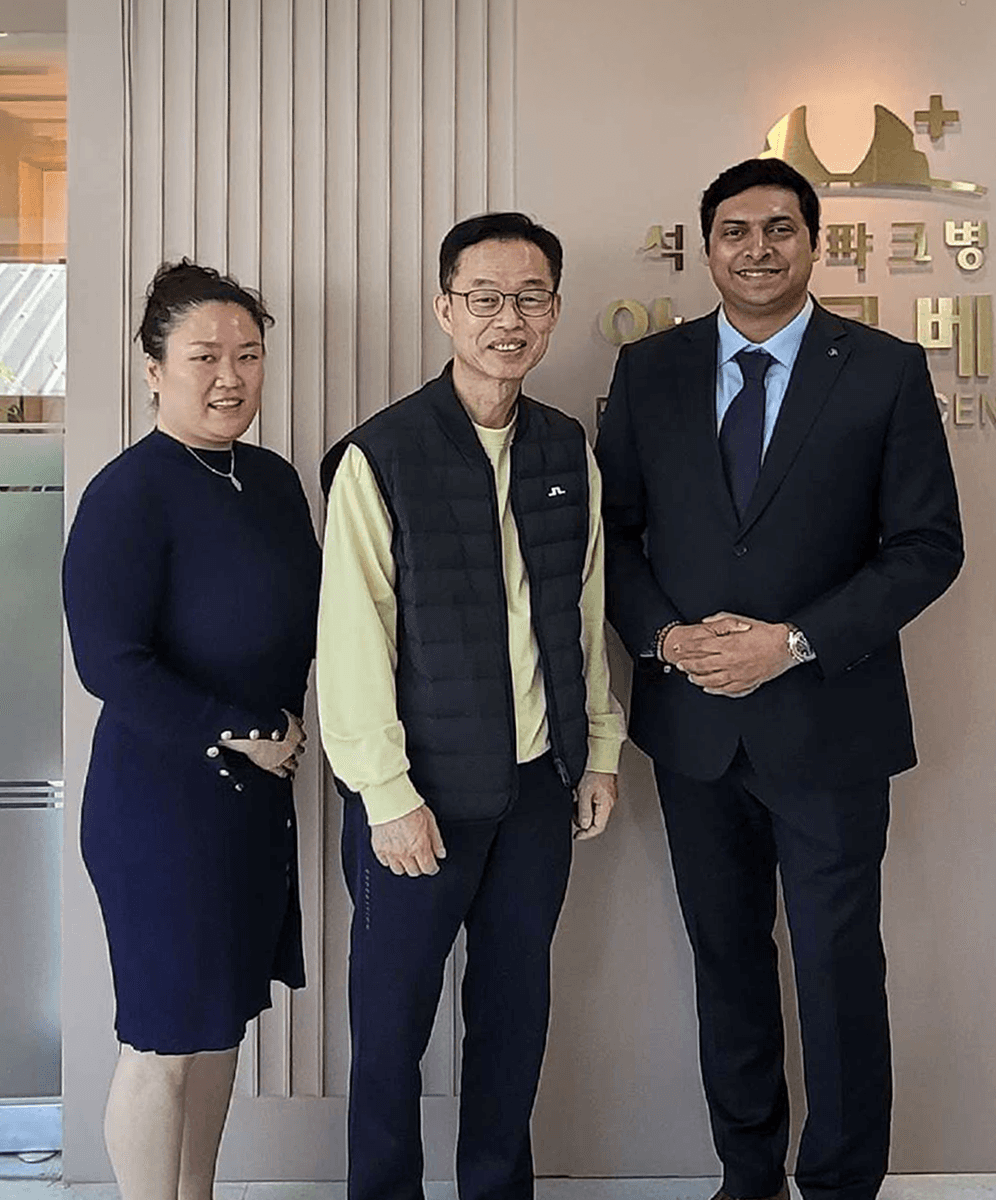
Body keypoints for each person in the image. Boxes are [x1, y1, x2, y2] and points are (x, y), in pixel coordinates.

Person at [595, 158, 963, 1200]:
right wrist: (665, 640)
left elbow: (927, 546)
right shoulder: (651, 370)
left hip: (829, 723)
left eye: (777, 229)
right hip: (693, 725)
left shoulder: (883, 370)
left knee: (839, 965)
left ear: (812, 241)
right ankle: (745, 1175)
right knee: (727, 961)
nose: (755, 249)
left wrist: (792, 641)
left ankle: (842, 1183)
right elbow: (611, 537)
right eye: (734, 232)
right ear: (706, 247)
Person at [316, 211, 625, 1200]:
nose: (508, 317)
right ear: (445, 308)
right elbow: (350, 641)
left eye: (529, 297)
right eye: (484, 297)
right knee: (390, 1035)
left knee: (510, 1025)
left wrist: (601, 749)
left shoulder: (565, 448)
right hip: (418, 802)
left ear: (554, 312)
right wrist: (384, 792)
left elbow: (586, 611)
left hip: (538, 792)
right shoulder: (379, 455)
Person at [63, 260, 321, 1200]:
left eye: (248, 355)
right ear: (152, 368)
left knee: (218, 1030)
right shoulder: (128, 493)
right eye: (204, 355)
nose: (230, 377)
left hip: (253, 807)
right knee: (164, 1038)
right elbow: (110, 664)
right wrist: (242, 727)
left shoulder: (274, 481)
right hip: (160, 807)